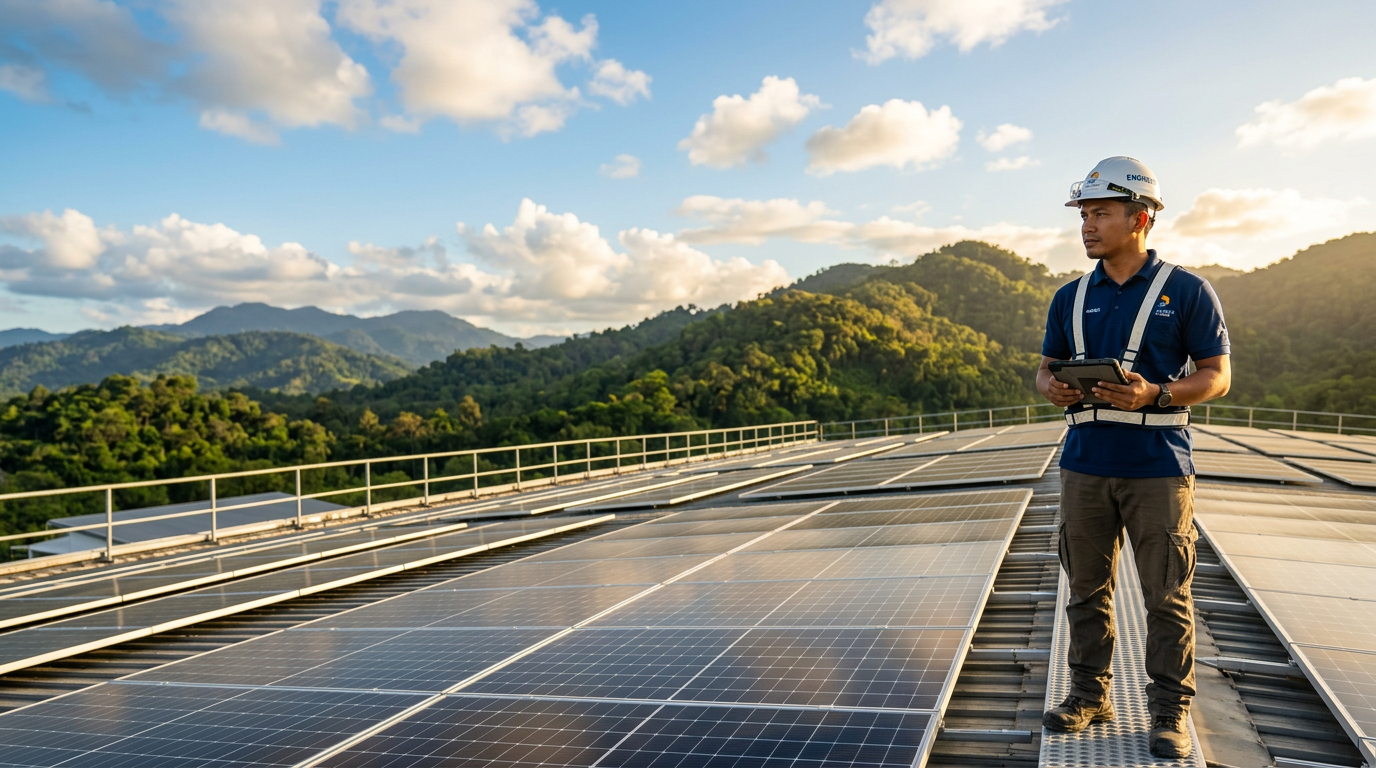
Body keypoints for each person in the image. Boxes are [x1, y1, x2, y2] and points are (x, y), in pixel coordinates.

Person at [1038, 157, 1232, 759]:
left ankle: (1169, 713)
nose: (1087, 226)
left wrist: (1159, 393)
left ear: (1140, 217)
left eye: (1100, 214)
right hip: (1084, 464)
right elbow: (1045, 369)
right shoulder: (1069, 297)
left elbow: (1217, 376)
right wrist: (1053, 387)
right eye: (1085, 215)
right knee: (1085, 588)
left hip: (1158, 468)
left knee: (1166, 595)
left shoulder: (1189, 291)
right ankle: (1089, 694)